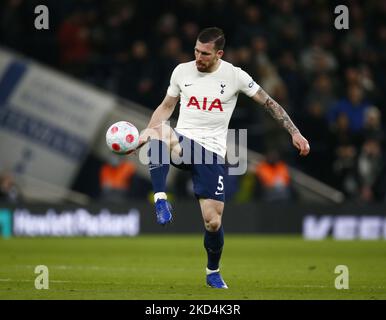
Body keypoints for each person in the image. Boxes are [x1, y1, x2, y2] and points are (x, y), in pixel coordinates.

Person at [131, 27, 310, 289]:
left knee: (213, 221)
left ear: (219, 54)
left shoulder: (235, 76)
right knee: (160, 132)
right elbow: (167, 107)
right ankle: (160, 200)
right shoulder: (182, 71)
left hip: (212, 152)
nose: (198, 57)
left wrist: (295, 133)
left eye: (204, 53)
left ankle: (212, 271)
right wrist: (148, 131)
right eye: (195, 50)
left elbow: (269, 102)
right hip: (183, 141)